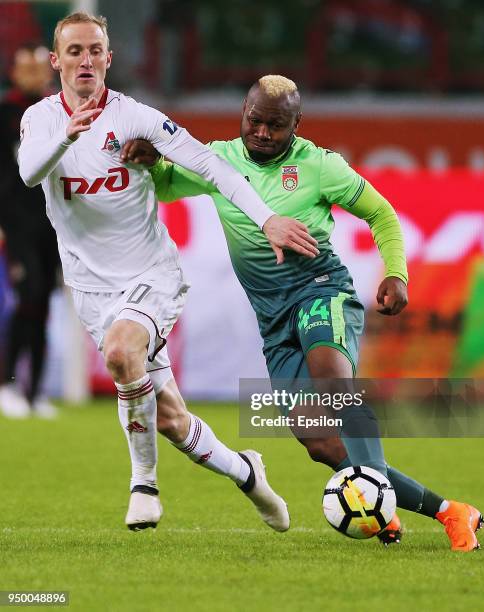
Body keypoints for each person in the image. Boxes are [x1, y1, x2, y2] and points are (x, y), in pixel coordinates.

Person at [125, 75, 484, 551]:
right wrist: (151, 163)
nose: (263, 133)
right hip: (272, 319)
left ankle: (377, 503)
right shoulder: (219, 161)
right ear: (243, 113)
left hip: (321, 291)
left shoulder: (319, 165)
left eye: (276, 125)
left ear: (296, 124)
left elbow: (381, 213)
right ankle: (449, 511)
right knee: (318, 441)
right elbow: (168, 186)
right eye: (255, 120)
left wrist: (396, 273)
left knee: (333, 382)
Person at [17, 13, 321, 532]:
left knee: (120, 352)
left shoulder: (135, 117)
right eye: (74, 51)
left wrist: (266, 217)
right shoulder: (41, 120)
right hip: (91, 288)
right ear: (56, 61)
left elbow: (211, 165)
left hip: (150, 275)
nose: (85, 60)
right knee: (172, 420)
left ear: (108, 59)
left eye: (95, 50)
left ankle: (144, 485)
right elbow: (29, 173)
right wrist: (67, 136)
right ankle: (248, 472)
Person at [0, 44, 60, 419]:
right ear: (15, 71)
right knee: (27, 295)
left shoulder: (57, 112)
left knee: (43, 303)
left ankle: (34, 390)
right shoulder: (5, 112)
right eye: (26, 67)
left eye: (39, 67)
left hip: (51, 221)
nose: (33, 74)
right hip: (15, 220)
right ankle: (7, 383)